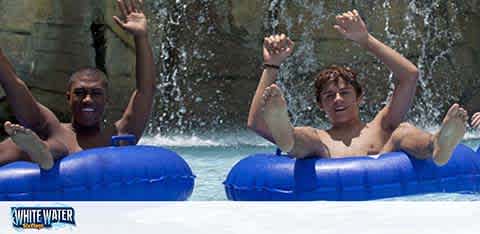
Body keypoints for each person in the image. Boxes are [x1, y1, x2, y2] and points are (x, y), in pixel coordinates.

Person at [247, 9, 468, 166]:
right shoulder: (320, 138)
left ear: (359, 98)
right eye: (329, 96)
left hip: (384, 175)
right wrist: (271, 65)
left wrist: (365, 39)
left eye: (344, 93)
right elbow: (256, 124)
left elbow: (409, 75)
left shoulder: (382, 125)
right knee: (305, 136)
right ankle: (286, 137)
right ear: (320, 105)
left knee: (403, 130)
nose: (337, 100)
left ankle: (436, 145)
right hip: (320, 158)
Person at [0, 0, 155, 170]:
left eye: (95, 93)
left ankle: (43, 151)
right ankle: (43, 151)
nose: (87, 99)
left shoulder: (119, 135)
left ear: (107, 100)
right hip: (47, 155)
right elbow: (13, 83)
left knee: (56, 146)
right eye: (80, 92)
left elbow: (145, 91)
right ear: (68, 97)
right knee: (56, 145)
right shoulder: (53, 127)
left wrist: (140, 37)